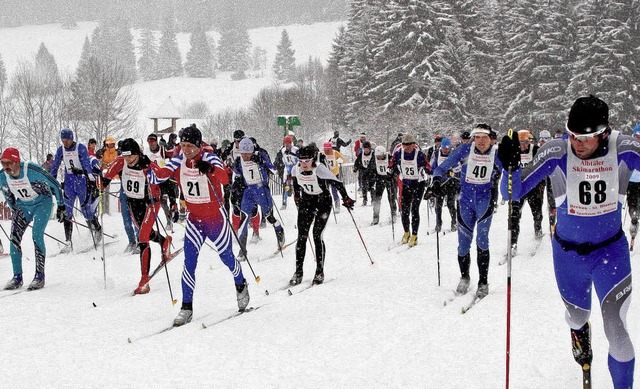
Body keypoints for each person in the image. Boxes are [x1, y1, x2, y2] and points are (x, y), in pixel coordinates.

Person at [498, 95, 635, 388]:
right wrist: (507, 166)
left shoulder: (623, 148)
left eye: (585, 138)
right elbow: (512, 192)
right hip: (568, 255)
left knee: (618, 332)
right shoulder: (557, 151)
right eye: (572, 135)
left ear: (604, 133)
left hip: (611, 252)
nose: (577, 144)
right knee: (576, 315)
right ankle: (579, 333)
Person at [150, 125, 249, 326]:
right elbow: (159, 175)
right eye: (182, 145)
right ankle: (186, 307)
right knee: (189, 262)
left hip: (215, 219)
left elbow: (224, 178)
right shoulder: (179, 160)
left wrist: (210, 168)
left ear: (197, 145)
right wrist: (144, 165)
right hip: (195, 220)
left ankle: (240, 283)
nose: (185, 150)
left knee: (227, 257)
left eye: (188, 146)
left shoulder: (210, 157)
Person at [432, 124, 502, 299]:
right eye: (477, 137)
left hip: (485, 200)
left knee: (482, 240)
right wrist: (436, 181)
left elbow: (512, 171)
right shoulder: (464, 150)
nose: (480, 141)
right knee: (463, 243)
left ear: (491, 138)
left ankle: (483, 281)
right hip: (465, 200)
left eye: (484, 137)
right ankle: (464, 276)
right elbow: (442, 167)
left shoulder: (497, 153)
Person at [103, 139, 172, 294]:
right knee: (145, 232)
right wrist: (96, 184)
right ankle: (164, 241)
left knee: (142, 237)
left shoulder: (147, 165)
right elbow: (106, 179)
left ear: (138, 154)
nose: (128, 160)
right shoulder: (120, 161)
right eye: (125, 156)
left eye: (131, 157)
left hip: (150, 203)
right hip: (133, 203)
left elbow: (164, 177)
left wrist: (172, 199)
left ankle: (144, 280)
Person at [0, 148, 65, 290]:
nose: (6, 167)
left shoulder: (31, 170)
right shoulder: (3, 176)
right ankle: (17, 277)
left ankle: (39, 276)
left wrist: (61, 206)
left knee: (36, 235)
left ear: (17, 162)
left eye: (9, 163)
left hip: (43, 203)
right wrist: (14, 209)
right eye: (3, 163)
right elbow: (6, 193)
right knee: (14, 239)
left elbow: (54, 184)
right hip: (23, 205)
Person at [290, 145, 354, 285]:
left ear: (313, 159)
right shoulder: (296, 168)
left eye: (307, 161)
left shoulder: (319, 169)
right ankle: (298, 271)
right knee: (301, 236)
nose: (304, 164)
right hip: (307, 202)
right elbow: (295, 181)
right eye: (301, 161)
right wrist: (296, 195)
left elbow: (337, 183)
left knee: (316, 235)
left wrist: (346, 198)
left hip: (323, 203)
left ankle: (319, 271)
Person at [49, 128, 102, 251]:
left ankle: (97, 229)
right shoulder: (61, 149)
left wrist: (86, 173)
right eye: (63, 140)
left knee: (86, 211)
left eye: (67, 139)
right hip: (69, 181)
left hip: (81, 181)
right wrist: (51, 179)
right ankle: (68, 242)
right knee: (67, 212)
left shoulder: (80, 148)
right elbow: (55, 165)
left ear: (71, 138)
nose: (65, 142)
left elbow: (87, 165)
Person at [233, 138, 285, 260]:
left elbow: (274, 170)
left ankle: (279, 230)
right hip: (248, 192)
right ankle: (242, 251)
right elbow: (237, 176)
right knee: (244, 219)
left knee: (268, 217)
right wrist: (236, 188)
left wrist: (262, 162)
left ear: (252, 151)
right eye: (243, 153)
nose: (245, 156)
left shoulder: (259, 155)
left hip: (262, 191)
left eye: (248, 153)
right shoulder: (238, 161)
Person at [389, 133, 430, 247]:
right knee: (405, 210)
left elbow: (428, 167)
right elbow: (391, 164)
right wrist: (390, 171)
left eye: (408, 144)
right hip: (406, 184)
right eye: (404, 144)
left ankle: (415, 235)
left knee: (415, 209)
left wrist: (431, 173)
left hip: (418, 184)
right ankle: (406, 232)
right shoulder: (398, 154)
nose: (406, 147)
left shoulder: (420, 155)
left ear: (413, 144)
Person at [508, 129, 544, 255]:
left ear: (529, 141)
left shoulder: (536, 150)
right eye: (520, 143)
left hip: (534, 187)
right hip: (519, 188)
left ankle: (538, 231)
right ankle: (513, 243)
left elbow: (544, 166)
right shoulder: (513, 151)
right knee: (514, 215)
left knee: (537, 212)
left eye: (525, 142)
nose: (523, 146)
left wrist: (541, 183)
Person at [146, 133, 179, 232]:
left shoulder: (162, 150)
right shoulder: (146, 153)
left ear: (156, 141)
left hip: (164, 178)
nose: (152, 143)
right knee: (161, 203)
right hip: (154, 181)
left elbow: (172, 154)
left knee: (171, 192)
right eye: (150, 141)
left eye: (153, 141)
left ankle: (174, 207)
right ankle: (165, 221)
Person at [428, 137, 459, 233]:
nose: (445, 151)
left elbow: (458, 169)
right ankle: (438, 224)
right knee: (438, 204)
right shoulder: (436, 153)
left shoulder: (454, 154)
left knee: (450, 204)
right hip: (440, 183)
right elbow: (431, 167)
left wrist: (452, 172)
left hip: (451, 182)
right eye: (444, 148)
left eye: (447, 148)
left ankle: (454, 222)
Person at [370, 145, 396, 225]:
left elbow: (395, 168)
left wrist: (392, 175)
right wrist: (371, 180)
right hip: (379, 179)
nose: (379, 157)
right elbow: (371, 169)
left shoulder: (390, 158)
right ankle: (375, 216)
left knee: (391, 197)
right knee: (377, 199)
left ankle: (393, 213)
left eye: (380, 156)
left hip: (389, 179)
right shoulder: (374, 159)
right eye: (377, 156)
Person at [538, 130, 557, 235]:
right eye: (541, 139)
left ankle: (552, 226)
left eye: (545, 139)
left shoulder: (553, 149)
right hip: (541, 179)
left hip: (551, 177)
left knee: (552, 202)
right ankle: (540, 227)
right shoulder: (537, 150)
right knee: (538, 203)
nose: (543, 142)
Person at [274, 136, 298, 210]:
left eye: (288, 143)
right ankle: (284, 203)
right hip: (287, 170)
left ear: (291, 143)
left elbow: (298, 159)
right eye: (286, 143)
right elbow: (281, 160)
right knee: (286, 187)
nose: (287, 145)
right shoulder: (282, 150)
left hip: (295, 170)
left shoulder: (296, 150)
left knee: (296, 188)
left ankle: (298, 203)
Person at [321, 142, 346, 212]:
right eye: (325, 149)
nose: (327, 151)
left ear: (331, 148)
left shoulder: (335, 153)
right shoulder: (322, 154)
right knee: (325, 191)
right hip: (325, 175)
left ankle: (337, 205)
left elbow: (344, 160)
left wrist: (340, 161)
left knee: (334, 190)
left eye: (328, 150)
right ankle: (326, 206)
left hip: (334, 174)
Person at [627, 124, 640, 250]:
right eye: (637, 136)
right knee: (633, 207)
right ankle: (634, 220)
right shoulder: (631, 148)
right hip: (632, 182)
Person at [353, 140, 375, 206]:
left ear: (370, 149)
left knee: (372, 187)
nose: (366, 151)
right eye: (365, 149)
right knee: (364, 187)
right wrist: (355, 168)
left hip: (372, 173)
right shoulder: (361, 155)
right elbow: (356, 162)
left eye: (367, 149)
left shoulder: (373, 154)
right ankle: (365, 199)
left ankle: (373, 200)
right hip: (364, 172)